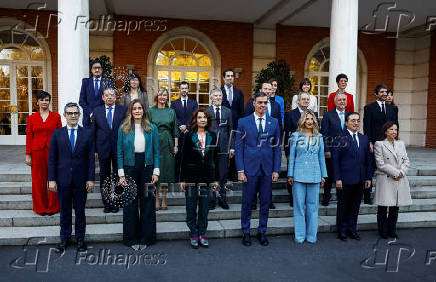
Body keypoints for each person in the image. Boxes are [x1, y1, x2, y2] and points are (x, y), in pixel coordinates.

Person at [236, 92, 281, 247]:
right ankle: (246, 232)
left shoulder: (274, 122)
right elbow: (239, 147)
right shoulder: (243, 122)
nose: (263, 105)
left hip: (267, 169)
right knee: (247, 202)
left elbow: (276, 148)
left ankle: (262, 231)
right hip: (249, 169)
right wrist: (240, 170)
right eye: (260, 102)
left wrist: (276, 170)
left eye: (265, 103)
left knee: (265, 202)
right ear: (254, 103)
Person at [48, 102, 95, 252]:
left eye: (75, 113)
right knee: (65, 211)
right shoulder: (57, 133)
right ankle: (65, 239)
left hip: (81, 180)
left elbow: (90, 159)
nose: (73, 116)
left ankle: (80, 239)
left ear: (79, 115)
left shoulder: (87, 133)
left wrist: (90, 178)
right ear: (65, 115)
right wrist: (52, 179)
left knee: (80, 211)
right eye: (70, 113)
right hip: (63, 179)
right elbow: (52, 158)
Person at [118, 99, 160, 250]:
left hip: (147, 167)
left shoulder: (152, 128)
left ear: (143, 111)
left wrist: (156, 171)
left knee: (148, 202)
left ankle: (147, 238)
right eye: (134, 108)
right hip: (130, 167)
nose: (137, 111)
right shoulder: (123, 128)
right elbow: (120, 152)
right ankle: (132, 239)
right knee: (130, 203)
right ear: (131, 111)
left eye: (139, 108)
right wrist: (121, 174)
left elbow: (156, 151)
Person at [180, 110, 219, 249]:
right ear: (195, 120)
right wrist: (183, 179)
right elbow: (183, 158)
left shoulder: (213, 136)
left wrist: (216, 179)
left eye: (204, 117)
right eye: (199, 117)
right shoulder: (188, 136)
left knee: (204, 208)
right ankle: (193, 234)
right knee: (190, 208)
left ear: (208, 120)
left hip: (207, 177)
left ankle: (202, 234)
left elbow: (216, 158)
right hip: (191, 177)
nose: (202, 119)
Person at [331, 112, 372, 241]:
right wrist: (337, 178)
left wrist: (368, 178)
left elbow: (368, 161)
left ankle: (352, 229)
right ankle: (342, 230)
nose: (356, 123)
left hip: (360, 179)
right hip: (344, 179)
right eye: (353, 120)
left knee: (355, 206)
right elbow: (335, 161)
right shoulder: (339, 138)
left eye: (358, 120)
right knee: (343, 206)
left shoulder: (365, 138)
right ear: (346, 123)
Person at [287, 110, 327, 244]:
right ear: (302, 121)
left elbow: (321, 157)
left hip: (315, 175)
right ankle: (299, 236)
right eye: (307, 119)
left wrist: (323, 175)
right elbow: (292, 156)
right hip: (298, 175)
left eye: (311, 119)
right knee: (299, 207)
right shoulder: (295, 136)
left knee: (313, 207)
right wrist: (290, 174)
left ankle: (311, 236)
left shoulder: (319, 137)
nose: (309, 121)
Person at [245, 83, 282, 210]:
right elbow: (246, 124)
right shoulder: (251, 104)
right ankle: (253, 201)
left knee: (266, 183)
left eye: (269, 89)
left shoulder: (276, 105)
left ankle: (267, 201)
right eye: (265, 89)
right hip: (253, 151)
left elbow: (278, 125)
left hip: (268, 150)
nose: (267, 91)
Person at [25, 91, 62, 216]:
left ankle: (53, 207)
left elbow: (60, 136)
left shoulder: (56, 117)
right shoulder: (31, 118)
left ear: (49, 102)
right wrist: (28, 154)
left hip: (53, 152)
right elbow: (29, 136)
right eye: (42, 100)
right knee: (38, 180)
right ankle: (40, 207)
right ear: (37, 102)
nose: (44, 102)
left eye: (47, 100)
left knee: (54, 178)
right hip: (37, 152)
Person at [374, 122, 411, 239]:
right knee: (383, 207)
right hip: (386, 178)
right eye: (391, 129)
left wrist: (401, 172)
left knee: (395, 207)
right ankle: (382, 230)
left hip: (399, 179)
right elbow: (380, 164)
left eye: (396, 130)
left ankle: (392, 229)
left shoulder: (401, 144)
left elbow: (406, 161)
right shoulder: (379, 144)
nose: (394, 132)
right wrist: (396, 172)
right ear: (385, 131)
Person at [92, 88, 127, 213]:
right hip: (102, 148)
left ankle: (116, 202)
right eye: (107, 95)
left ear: (116, 97)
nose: (109, 97)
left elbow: (127, 130)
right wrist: (95, 149)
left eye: (112, 95)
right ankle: (107, 203)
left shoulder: (123, 110)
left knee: (119, 175)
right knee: (104, 176)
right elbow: (93, 131)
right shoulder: (97, 111)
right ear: (103, 97)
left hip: (119, 148)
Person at [363, 84, 399, 204]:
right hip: (375, 144)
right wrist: (369, 142)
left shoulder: (392, 109)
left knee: (388, 169)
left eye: (386, 92)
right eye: (382, 92)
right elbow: (366, 127)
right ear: (376, 94)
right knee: (370, 169)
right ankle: (367, 197)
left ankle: (387, 195)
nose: (384, 94)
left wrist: (395, 143)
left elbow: (395, 126)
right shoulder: (369, 108)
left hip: (389, 144)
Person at [284, 92, 319, 207]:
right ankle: (292, 197)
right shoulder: (290, 115)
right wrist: (287, 151)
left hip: (309, 149)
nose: (305, 101)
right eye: (303, 99)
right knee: (293, 173)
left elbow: (316, 132)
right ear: (298, 101)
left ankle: (305, 198)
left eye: (307, 99)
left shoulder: (314, 115)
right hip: (295, 149)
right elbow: (287, 134)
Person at [148, 87, 179, 211]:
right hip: (154, 141)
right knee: (156, 171)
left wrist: (176, 145)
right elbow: (147, 128)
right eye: (160, 95)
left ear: (167, 97)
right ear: (157, 97)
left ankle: (164, 199)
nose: (162, 97)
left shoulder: (171, 111)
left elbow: (175, 130)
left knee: (166, 172)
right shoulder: (150, 111)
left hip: (168, 142)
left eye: (165, 95)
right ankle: (156, 199)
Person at [206, 88, 233, 210]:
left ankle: (222, 199)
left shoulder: (228, 111)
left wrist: (231, 147)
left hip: (223, 147)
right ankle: (211, 199)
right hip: (210, 147)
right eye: (215, 95)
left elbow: (231, 130)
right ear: (211, 97)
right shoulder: (206, 111)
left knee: (223, 174)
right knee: (211, 174)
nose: (218, 97)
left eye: (220, 95)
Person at [320, 92, 348, 206]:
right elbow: (324, 133)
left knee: (343, 175)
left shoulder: (350, 115)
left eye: (344, 100)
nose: (342, 101)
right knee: (330, 175)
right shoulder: (328, 115)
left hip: (346, 152)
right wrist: (326, 149)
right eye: (340, 100)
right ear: (335, 102)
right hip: (331, 151)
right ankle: (326, 197)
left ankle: (341, 197)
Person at [171, 81, 198, 181]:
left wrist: (186, 126)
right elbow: (173, 116)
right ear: (179, 90)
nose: (184, 90)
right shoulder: (174, 103)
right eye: (182, 88)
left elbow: (195, 116)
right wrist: (180, 126)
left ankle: (187, 179)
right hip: (178, 134)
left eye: (186, 88)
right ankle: (176, 179)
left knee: (189, 157)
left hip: (190, 133)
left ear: (188, 89)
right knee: (177, 158)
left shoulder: (194, 103)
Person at [221, 68, 244, 182]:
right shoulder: (218, 92)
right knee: (223, 150)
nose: (230, 78)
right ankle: (223, 174)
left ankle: (234, 174)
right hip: (223, 126)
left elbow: (241, 111)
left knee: (235, 149)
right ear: (223, 78)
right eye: (228, 76)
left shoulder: (239, 92)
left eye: (232, 76)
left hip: (235, 126)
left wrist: (241, 126)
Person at [79, 59, 113, 127]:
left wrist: (100, 113)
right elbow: (81, 101)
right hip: (88, 118)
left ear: (102, 70)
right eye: (95, 68)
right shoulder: (86, 82)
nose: (97, 70)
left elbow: (110, 100)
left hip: (103, 118)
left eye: (99, 68)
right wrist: (91, 113)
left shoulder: (107, 82)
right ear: (91, 70)